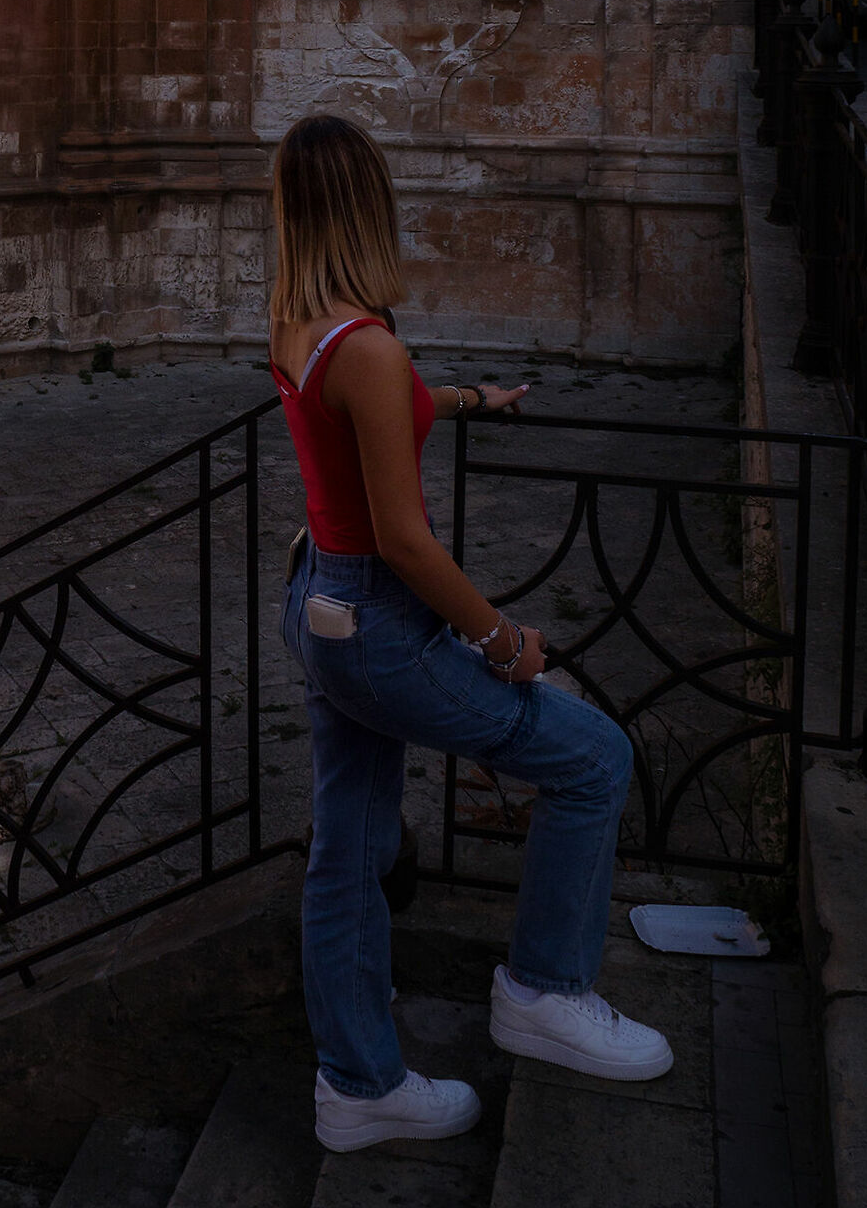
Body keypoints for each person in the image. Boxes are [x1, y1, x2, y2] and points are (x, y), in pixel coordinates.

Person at [269, 112, 672, 1155]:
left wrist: (460, 398)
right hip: (381, 622)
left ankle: (358, 1086)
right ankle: (541, 991)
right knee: (592, 758)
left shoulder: (298, 319)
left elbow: (366, 409)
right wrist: (502, 642)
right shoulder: (364, 344)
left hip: (318, 601)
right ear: (371, 205)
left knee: (348, 850)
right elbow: (406, 541)